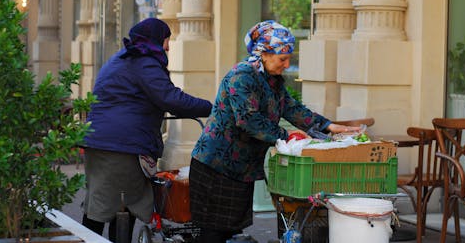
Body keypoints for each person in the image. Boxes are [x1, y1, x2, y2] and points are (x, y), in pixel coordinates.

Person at [189, 20, 361, 243]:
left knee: (229, 230)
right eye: (283, 58)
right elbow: (248, 119)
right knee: (213, 232)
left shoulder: (273, 80)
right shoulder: (242, 75)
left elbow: (291, 108)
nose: (287, 64)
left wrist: (328, 126)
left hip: (241, 168)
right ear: (264, 53)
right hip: (216, 165)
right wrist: (288, 136)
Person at [82, 18, 212, 242]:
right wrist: (211, 107)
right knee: (123, 205)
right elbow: (169, 97)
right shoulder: (144, 61)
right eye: (166, 40)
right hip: (122, 147)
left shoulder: (122, 58)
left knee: (103, 205)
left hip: (102, 143)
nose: (168, 47)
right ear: (155, 40)